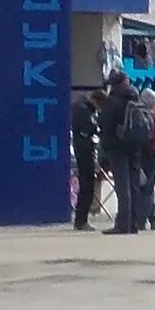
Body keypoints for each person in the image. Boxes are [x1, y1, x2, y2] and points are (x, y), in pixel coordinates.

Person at [101, 69, 145, 234]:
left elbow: (105, 123)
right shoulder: (136, 96)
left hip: (117, 146)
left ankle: (123, 224)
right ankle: (134, 223)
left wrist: (105, 146)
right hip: (135, 145)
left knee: (122, 187)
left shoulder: (112, 101)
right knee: (134, 185)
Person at [69, 89, 103, 230]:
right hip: (84, 151)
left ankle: (81, 220)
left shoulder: (81, 107)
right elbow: (89, 128)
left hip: (83, 149)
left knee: (87, 186)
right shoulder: (83, 111)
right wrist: (97, 128)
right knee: (87, 187)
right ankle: (81, 221)